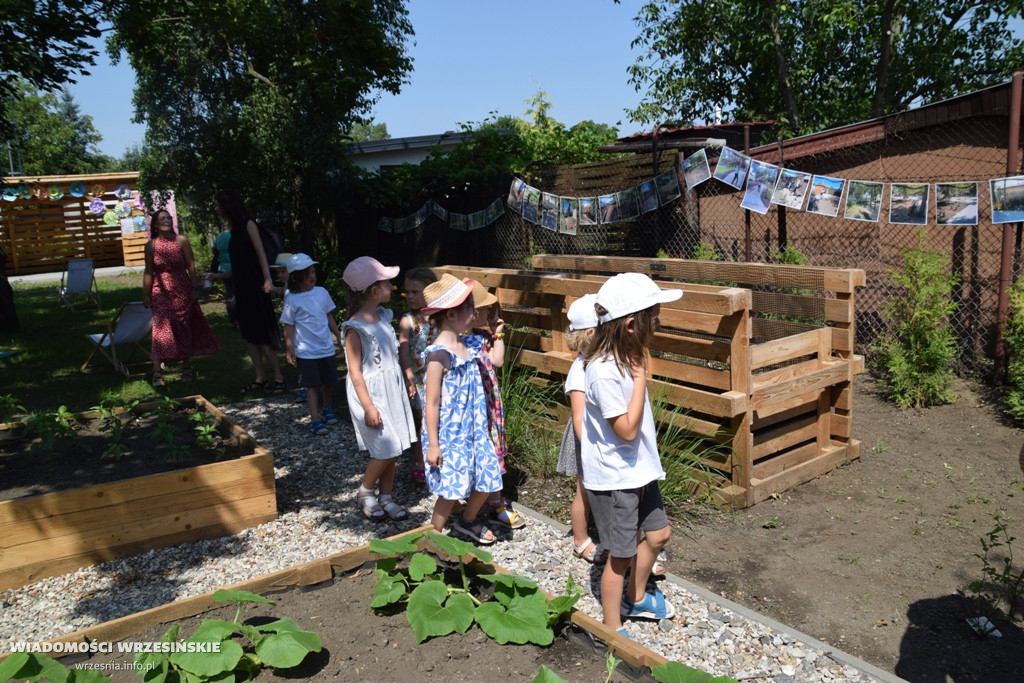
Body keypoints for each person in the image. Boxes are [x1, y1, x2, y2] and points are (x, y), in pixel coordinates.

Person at [582, 272, 681, 634]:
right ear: (630, 325)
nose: (658, 325)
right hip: (617, 478)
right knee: (620, 556)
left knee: (658, 534)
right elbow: (624, 430)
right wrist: (640, 378)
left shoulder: (627, 357)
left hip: (639, 471)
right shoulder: (604, 371)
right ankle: (612, 629)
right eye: (653, 319)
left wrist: (638, 371)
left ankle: (635, 597)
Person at [420, 273, 503, 543]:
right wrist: (433, 444)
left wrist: (497, 332)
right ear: (452, 315)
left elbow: (497, 360)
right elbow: (431, 402)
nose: (474, 311)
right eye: (469, 308)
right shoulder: (439, 355)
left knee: (488, 477)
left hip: (476, 429)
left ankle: (467, 520)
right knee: (451, 491)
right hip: (451, 436)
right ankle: (432, 540)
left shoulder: (470, 344)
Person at [342, 256, 416, 521]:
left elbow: (391, 358)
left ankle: (385, 497)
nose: (392, 287)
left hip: (390, 391)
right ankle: (365, 489)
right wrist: (369, 406)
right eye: (387, 283)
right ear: (374, 291)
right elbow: (356, 373)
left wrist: (406, 379)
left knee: (393, 448)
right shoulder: (355, 329)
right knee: (388, 446)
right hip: (371, 395)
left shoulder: (383, 317)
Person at [213, 189, 286, 394]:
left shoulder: (248, 224)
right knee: (249, 335)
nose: (215, 208)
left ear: (228, 205)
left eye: (217, 204)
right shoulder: (233, 229)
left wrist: (267, 279)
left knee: (261, 334)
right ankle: (260, 377)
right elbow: (241, 263)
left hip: (256, 285)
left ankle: (279, 378)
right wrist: (221, 276)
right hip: (242, 287)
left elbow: (260, 253)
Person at [469, 281, 526, 530]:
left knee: (491, 450)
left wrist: (497, 333)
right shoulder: (454, 341)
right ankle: (473, 500)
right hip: (471, 407)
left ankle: (494, 502)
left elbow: (498, 360)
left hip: (488, 405)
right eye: (483, 310)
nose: (488, 314)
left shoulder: (483, 337)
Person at [142, 209, 219, 387]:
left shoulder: (181, 241)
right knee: (160, 329)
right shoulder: (151, 246)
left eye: (169, 217)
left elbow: (191, 265)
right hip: (159, 289)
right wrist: (145, 293)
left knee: (183, 325)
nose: (167, 220)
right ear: (155, 224)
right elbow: (148, 271)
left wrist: (194, 287)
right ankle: (157, 372)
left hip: (182, 288)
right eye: (163, 218)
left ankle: (186, 366)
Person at [557, 294, 604, 562]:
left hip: (599, 435)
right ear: (590, 333)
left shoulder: (599, 362)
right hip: (585, 437)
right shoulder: (580, 369)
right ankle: (580, 539)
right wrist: (589, 446)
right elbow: (578, 417)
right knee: (584, 491)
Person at [280, 253, 342, 436]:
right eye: (307, 273)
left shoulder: (322, 293)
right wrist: (289, 347)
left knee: (330, 382)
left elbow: (328, 316)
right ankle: (315, 418)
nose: (312, 276)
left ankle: (327, 408)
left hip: (326, 348)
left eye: (313, 271)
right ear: (295, 278)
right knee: (311, 385)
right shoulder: (292, 299)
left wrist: (338, 334)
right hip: (306, 352)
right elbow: (288, 326)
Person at [397, 267, 437, 484]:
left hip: (439, 376)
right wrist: (408, 375)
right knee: (425, 420)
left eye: (415, 292)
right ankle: (419, 461)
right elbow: (403, 351)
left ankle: (436, 457)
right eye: (407, 292)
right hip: (420, 380)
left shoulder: (439, 316)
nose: (410, 296)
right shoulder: (408, 320)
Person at [207, 228, 236, 326]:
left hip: (223, 268)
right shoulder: (234, 236)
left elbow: (215, 250)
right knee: (238, 294)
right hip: (234, 268)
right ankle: (239, 320)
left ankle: (233, 320)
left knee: (230, 295)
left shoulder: (219, 237)